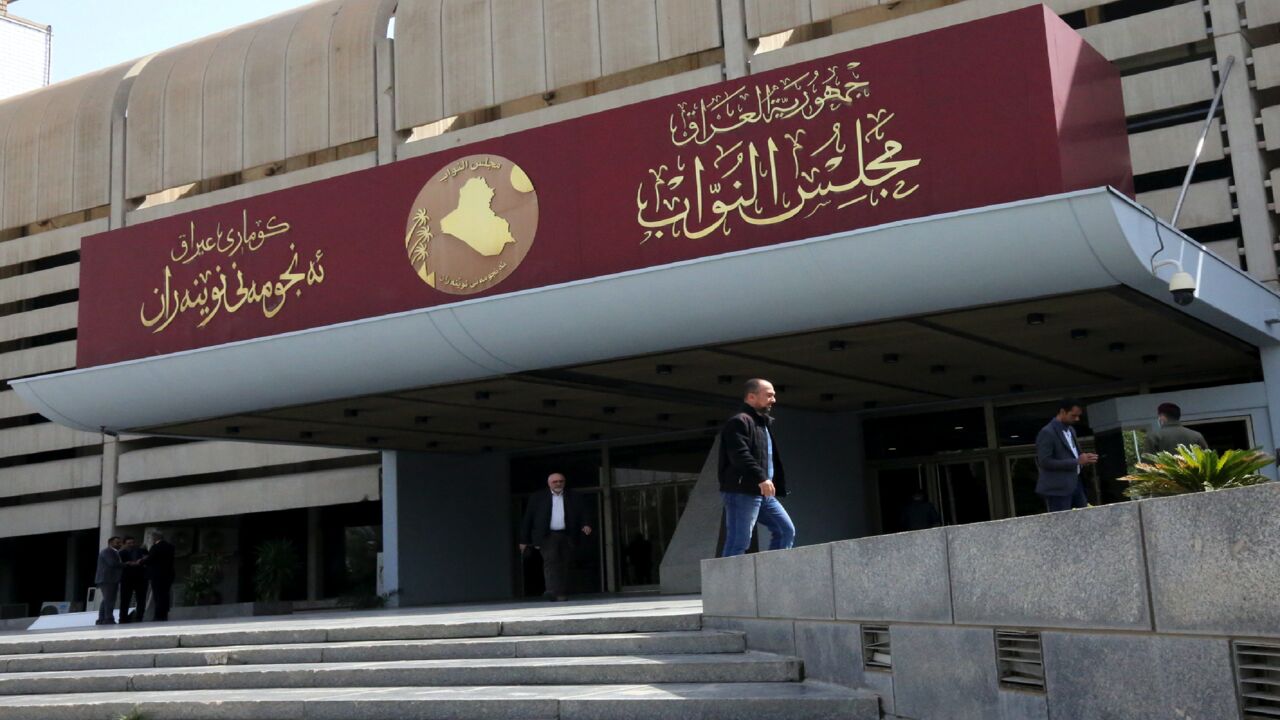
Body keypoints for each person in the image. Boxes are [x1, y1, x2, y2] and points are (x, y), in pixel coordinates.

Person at [718, 378, 795, 557]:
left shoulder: (762, 423)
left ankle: (772, 571)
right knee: (739, 541)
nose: (773, 400)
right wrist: (762, 478)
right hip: (742, 491)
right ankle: (729, 576)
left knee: (785, 530)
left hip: (763, 493)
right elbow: (740, 455)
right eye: (769, 395)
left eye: (773, 395)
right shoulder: (739, 422)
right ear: (751, 397)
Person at [519, 473, 593, 601]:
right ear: (549, 483)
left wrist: (586, 524)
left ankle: (561, 592)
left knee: (564, 563)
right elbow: (528, 519)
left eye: (561, 481)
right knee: (551, 561)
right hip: (547, 536)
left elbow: (583, 512)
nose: (558, 483)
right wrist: (524, 540)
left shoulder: (574, 496)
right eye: (555, 482)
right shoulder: (538, 497)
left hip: (567, 535)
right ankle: (552, 591)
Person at [1035, 399, 1098, 512]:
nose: (1077, 419)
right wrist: (1077, 461)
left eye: (1078, 416)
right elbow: (1044, 461)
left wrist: (1085, 459)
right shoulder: (1047, 432)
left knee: (1084, 516)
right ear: (1062, 412)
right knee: (1062, 519)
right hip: (1058, 488)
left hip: (1076, 482)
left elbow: (1074, 454)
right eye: (1073, 415)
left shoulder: (1071, 430)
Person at [143, 531, 176, 621]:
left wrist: (141, 561)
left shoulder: (155, 547)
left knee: (158, 595)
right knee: (165, 595)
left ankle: (158, 615)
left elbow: (150, 559)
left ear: (155, 537)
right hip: (168, 574)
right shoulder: (170, 546)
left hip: (157, 575)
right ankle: (164, 614)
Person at [118, 536, 149, 623]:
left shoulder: (141, 550)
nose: (131, 545)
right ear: (124, 544)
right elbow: (118, 564)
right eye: (129, 543)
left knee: (141, 599)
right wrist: (128, 563)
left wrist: (142, 560)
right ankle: (123, 618)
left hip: (141, 578)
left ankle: (139, 617)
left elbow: (148, 558)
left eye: (132, 543)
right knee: (125, 599)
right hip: (127, 579)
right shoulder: (121, 553)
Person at [94, 536, 124, 625]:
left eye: (120, 542)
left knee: (106, 600)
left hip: (110, 579)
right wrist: (126, 564)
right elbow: (112, 563)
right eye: (117, 542)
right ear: (110, 543)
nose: (119, 544)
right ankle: (108, 619)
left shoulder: (114, 552)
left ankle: (101, 619)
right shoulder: (107, 552)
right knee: (109, 600)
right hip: (107, 579)